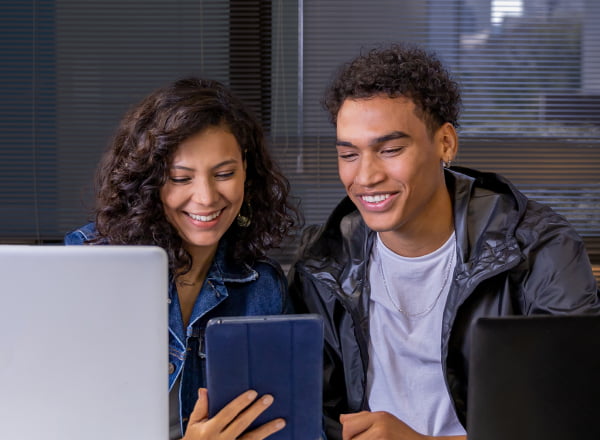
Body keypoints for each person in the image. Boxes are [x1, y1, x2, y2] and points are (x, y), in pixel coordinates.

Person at [288, 43, 600, 440]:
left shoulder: (539, 249)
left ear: (445, 144)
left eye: (390, 150)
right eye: (349, 154)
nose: (365, 176)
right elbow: (313, 419)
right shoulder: (322, 266)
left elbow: (575, 419)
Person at [65, 77, 300, 440]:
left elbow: (284, 424)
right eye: (180, 178)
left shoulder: (262, 286)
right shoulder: (89, 266)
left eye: (224, 174)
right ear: (149, 183)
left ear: (247, 174)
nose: (206, 198)